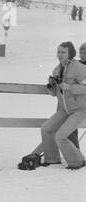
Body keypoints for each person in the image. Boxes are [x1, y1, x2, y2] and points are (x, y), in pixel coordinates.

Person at [39, 42, 86, 170]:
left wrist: (70, 87)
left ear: (70, 53)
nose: (60, 55)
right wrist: (50, 86)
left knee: (60, 136)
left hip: (79, 110)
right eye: (58, 52)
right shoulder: (56, 69)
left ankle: (78, 161)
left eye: (63, 52)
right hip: (64, 109)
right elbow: (54, 94)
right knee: (46, 128)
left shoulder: (80, 68)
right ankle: (52, 159)